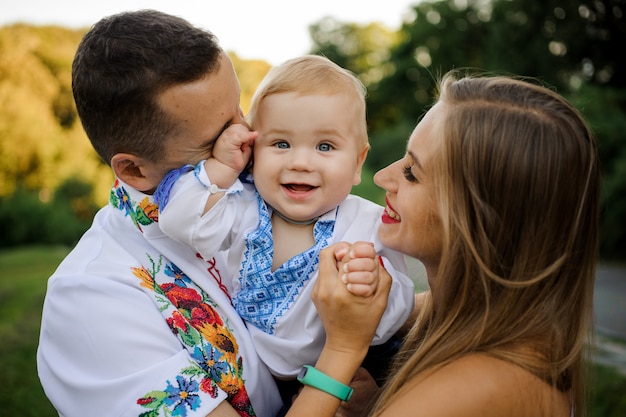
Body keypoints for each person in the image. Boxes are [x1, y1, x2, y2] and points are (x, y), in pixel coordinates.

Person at [282, 71, 600, 417]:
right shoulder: (470, 316)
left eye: (412, 173)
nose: (382, 177)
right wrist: (373, 406)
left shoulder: (477, 385)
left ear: (479, 218)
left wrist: (341, 352)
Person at [36, 10, 286, 417]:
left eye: (240, 109)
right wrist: (341, 360)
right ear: (134, 169)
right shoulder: (90, 300)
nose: (247, 137)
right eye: (215, 140)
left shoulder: (260, 196)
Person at [154, 55, 416, 392]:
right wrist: (222, 166)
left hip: (355, 366)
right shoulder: (241, 207)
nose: (301, 162)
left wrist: (375, 286)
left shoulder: (365, 225)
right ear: (252, 151)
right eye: (281, 144)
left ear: (357, 163)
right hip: (259, 382)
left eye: (325, 146)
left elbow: (396, 312)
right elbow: (179, 222)